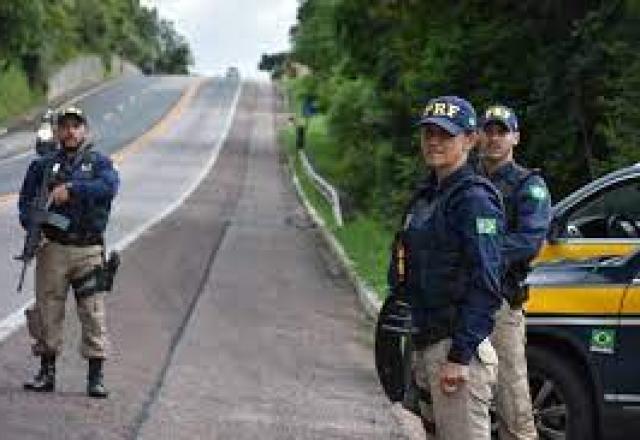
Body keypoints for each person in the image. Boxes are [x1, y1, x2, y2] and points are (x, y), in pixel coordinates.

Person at [391, 96, 504, 439]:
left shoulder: (474, 200)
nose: (434, 141)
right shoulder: (428, 196)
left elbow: (486, 284)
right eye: (428, 134)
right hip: (427, 343)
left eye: (446, 134)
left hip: (456, 350)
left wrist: (459, 356)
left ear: (470, 140)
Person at [19, 107, 120, 398]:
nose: (70, 132)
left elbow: (109, 187)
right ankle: (46, 372)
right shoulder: (43, 166)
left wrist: (73, 189)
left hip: (88, 249)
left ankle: (95, 378)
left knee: (93, 313)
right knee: (47, 311)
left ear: (85, 130)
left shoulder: (99, 163)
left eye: (76, 126)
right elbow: (25, 202)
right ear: (58, 131)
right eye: (65, 126)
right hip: (53, 248)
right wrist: (32, 224)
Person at [479, 104, 552, 440]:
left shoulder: (528, 185)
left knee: (513, 406)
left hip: (499, 305)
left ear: (515, 138)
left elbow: (529, 240)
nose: (494, 138)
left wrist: (478, 254)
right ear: (477, 135)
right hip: (455, 302)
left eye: (501, 132)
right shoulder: (465, 181)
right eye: (488, 131)